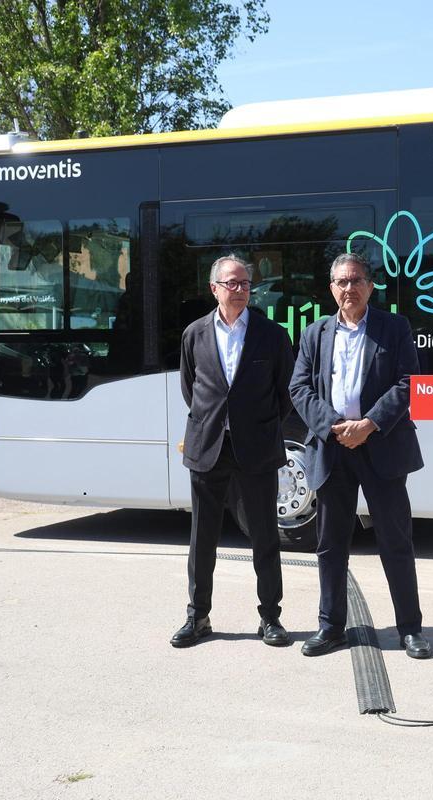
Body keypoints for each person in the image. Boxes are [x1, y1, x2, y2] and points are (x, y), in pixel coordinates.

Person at [289, 253, 432, 659]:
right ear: (331, 288)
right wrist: (334, 425)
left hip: (381, 447)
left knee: (396, 541)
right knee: (331, 545)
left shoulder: (395, 327)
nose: (348, 289)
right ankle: (330, 627)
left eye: (355, 281)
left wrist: (368, 424)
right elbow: (299, 388)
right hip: (333, 449)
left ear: (370, 286)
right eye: (340, 282)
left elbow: (409, 382)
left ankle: (410, 629)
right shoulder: (314, 333)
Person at [170, 255, 295, 649]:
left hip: (256, 448)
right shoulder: (194, 334)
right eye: (231, 283)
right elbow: (191, 388)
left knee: (264, 536)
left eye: (244, 284)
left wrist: (254, 424)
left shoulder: (271, 334)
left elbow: (283, 393)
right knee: (202, 537)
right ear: (214, 289)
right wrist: (214, 422)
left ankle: (270, 617)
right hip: (208, 447)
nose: (239, 290)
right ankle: (198, 616)